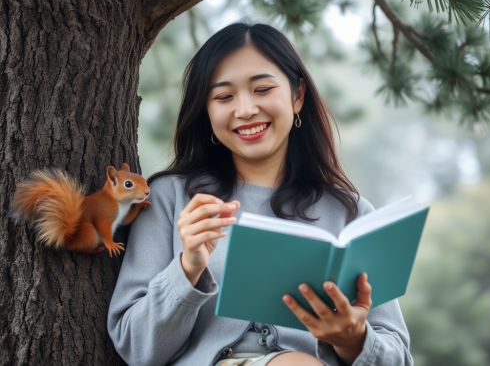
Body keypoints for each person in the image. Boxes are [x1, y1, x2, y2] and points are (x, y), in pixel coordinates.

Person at [107, 22, 414, 366]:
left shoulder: (350, 213)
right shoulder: (169, 198)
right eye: (224, 96)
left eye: (263, 89)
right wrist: (188, 268)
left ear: (297, 96)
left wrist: (354, 339)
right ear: (207, 113)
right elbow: (135, 348)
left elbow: (398, 357)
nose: (245, 109)